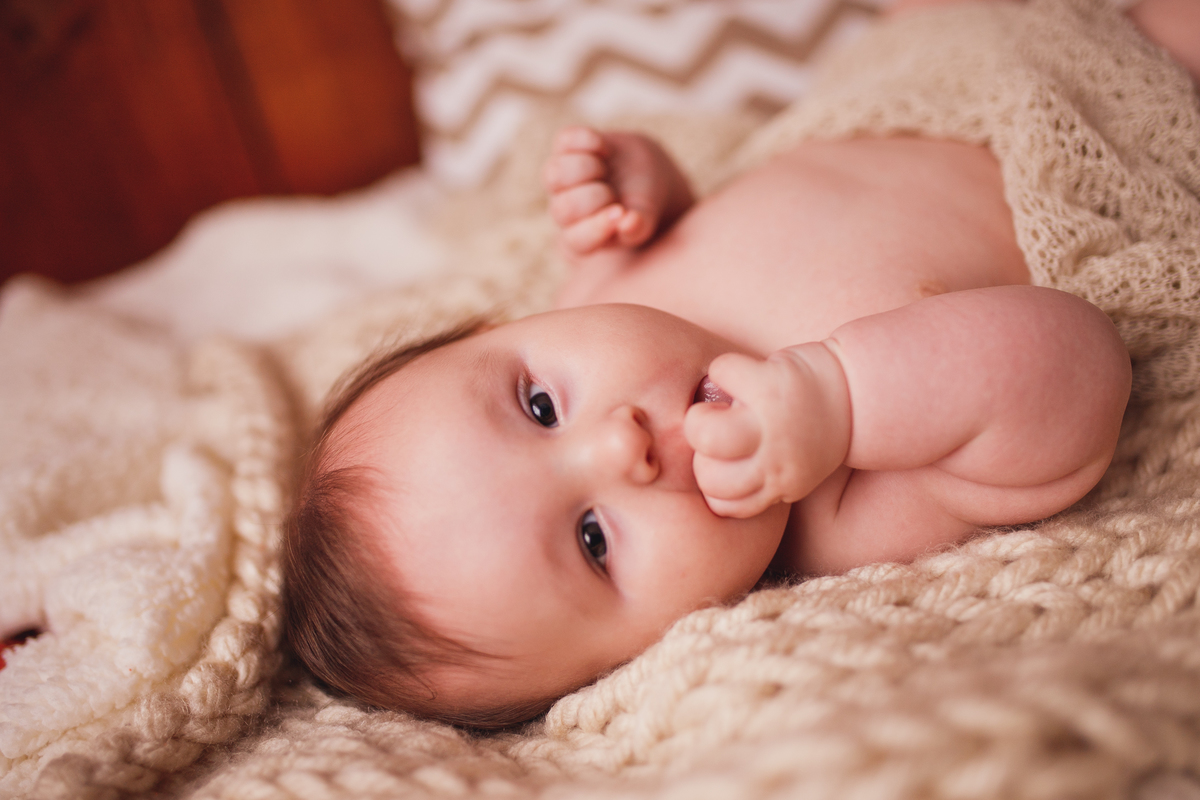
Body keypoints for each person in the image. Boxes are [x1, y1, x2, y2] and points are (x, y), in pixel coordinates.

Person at [283, 0, 1199, 729]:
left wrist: (645, 189)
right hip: (1118, 120)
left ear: (503, 326)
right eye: (593, 540)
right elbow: (1075, 364)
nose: (621, 445)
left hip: (908, 73)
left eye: (537, 406)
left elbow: (698, 203)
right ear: (649, 651)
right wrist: (843, 402)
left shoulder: (595, 297)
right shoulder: (836, 510)